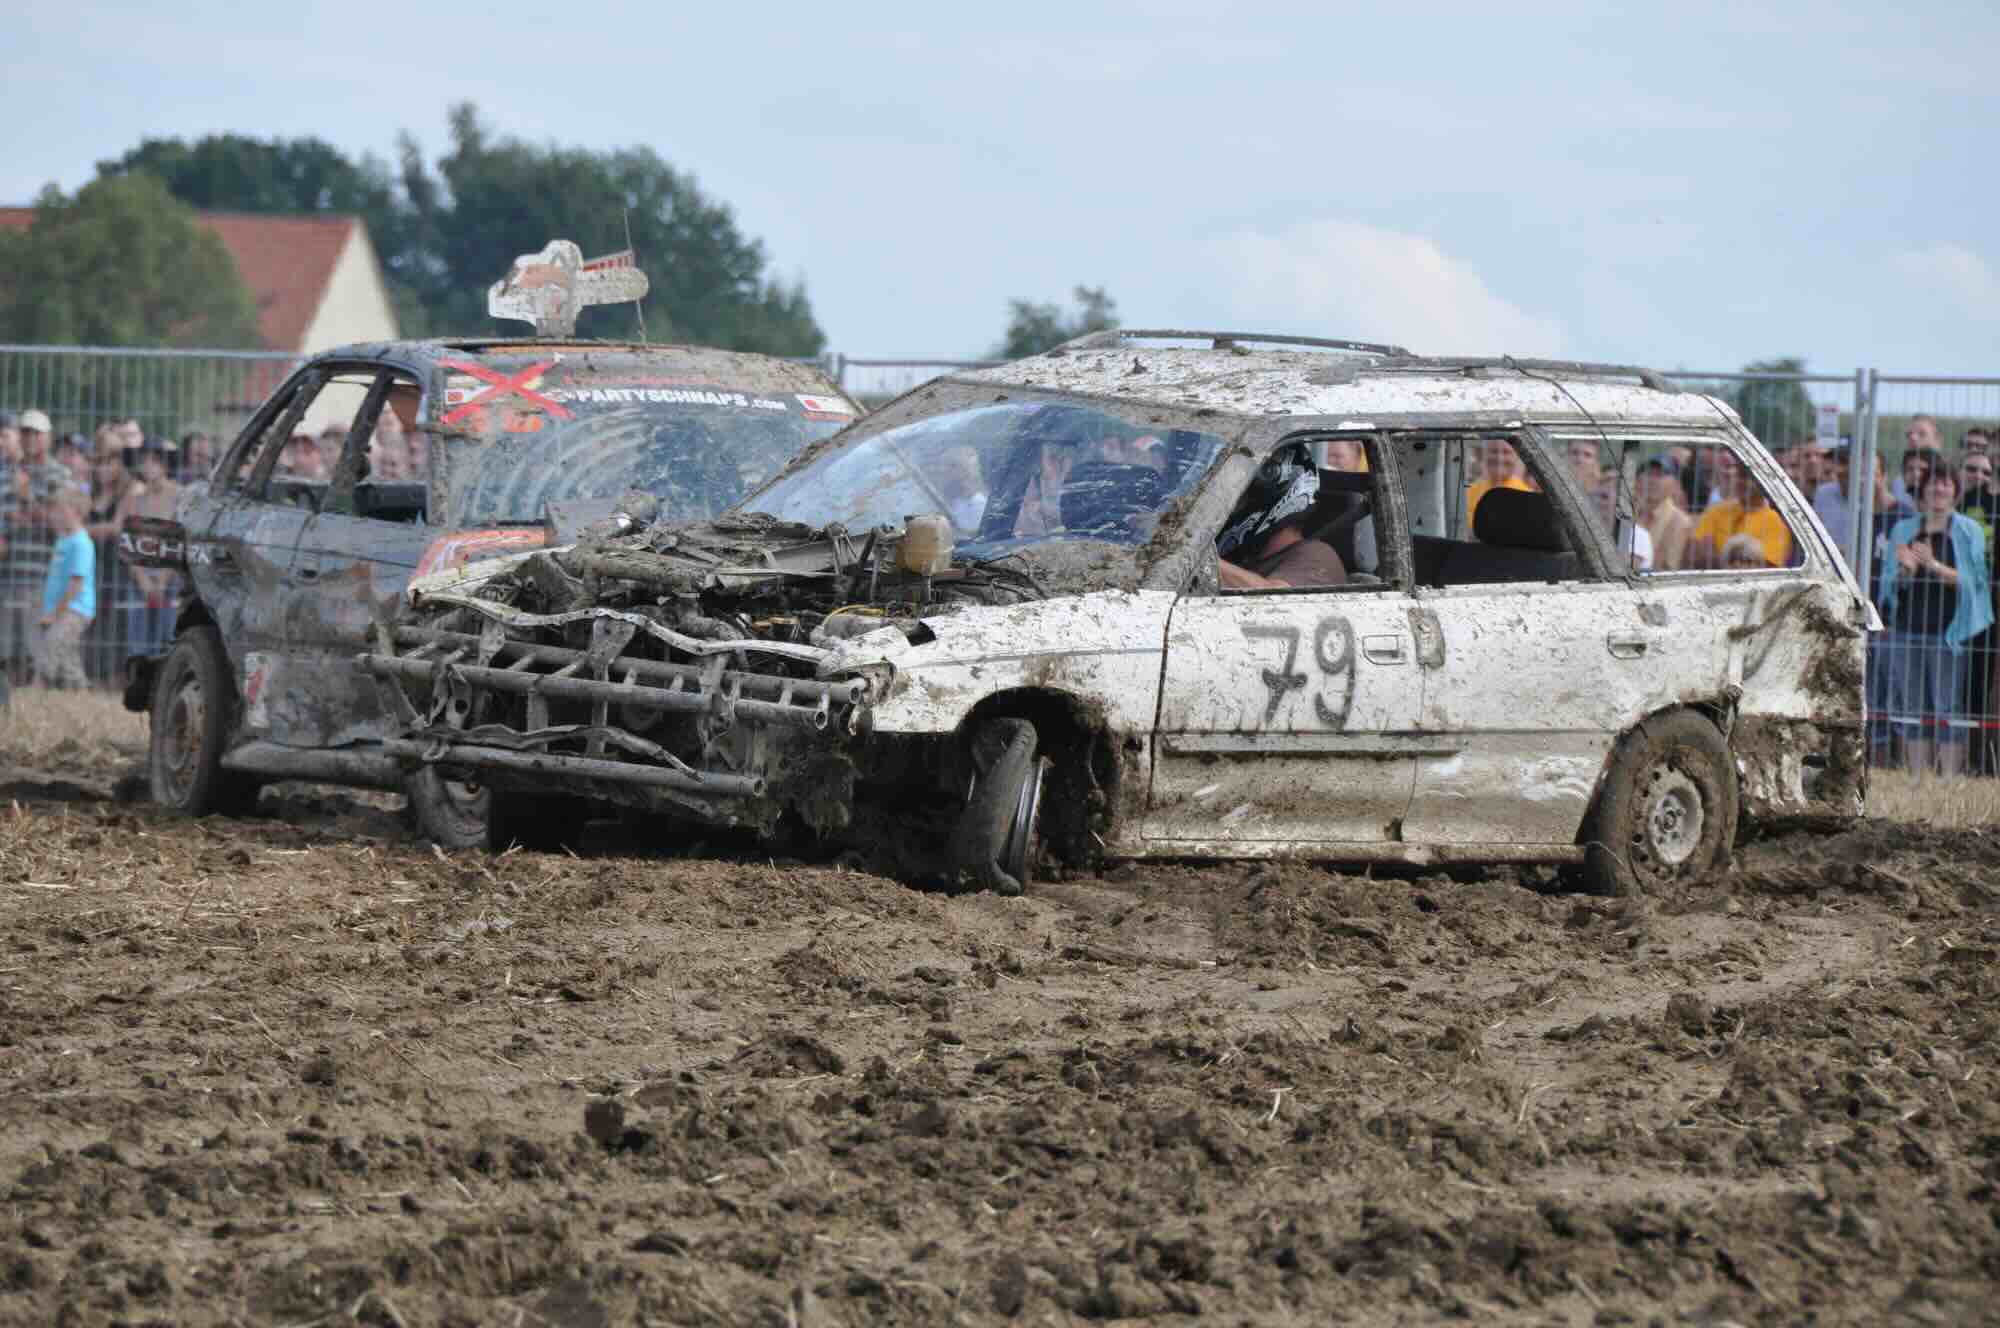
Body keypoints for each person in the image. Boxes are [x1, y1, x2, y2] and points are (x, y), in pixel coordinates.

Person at [1875, 463, 1991, 775]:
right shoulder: (1903, 530)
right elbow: (1888, 586)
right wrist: (1905, 569)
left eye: (1945, 484)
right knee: (1912, 708)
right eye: (1932, 484)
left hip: (1948, 633)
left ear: (1955, 491)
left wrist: (1933, 565)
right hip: (1906, 630)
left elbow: (1975, 582)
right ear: (1922, 491)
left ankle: (1949, 779)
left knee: (1947, 707)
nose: (1938, 489)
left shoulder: (1970, 530)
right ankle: (1918, 778)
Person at [1217, 443, 1346, 590]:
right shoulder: (1244, 559)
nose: (1229, 510)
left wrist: (1204, 561)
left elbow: (1274, 598)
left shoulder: (1318, 555)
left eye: (1238, 499)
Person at [118, 441, 182, 659]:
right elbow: (128, 542)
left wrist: (163, 580)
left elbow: (180, 540)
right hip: (140, 577)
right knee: (138, 638)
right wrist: (143, 579)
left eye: (154, 461)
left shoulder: (178, 496)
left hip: (172, 577)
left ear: (165, 464)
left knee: (170, 634)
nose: (148, 466)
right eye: (144, 461)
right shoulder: (135, 499)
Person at [85, 449, 141, 681]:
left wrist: (83, 531)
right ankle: (94, 674)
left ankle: (115, 676)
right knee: (93, 622)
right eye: (100, 462)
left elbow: (118, 528)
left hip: (116, 568)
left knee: (115, 623)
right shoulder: (91, 494)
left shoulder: (128, 493)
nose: (104, 468)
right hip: (91, 566)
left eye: (110, 462)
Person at [1686, 451, 1793, 569]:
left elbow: (1764, 570)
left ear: (1765, 482)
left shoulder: (1776, 521)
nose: (1739, 481)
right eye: (1738, 474)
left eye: (1746, 476)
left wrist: (1716, 558)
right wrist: (1742, 559)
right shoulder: (1716, 511)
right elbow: (1694, 557)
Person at [34, 488, 94, 690]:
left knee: (53, 642)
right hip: (59, 608)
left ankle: (39, 685)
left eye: (60, 511)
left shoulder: (81, 543)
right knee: (68, 655)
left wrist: (54, 613)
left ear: (76, 512)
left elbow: (76, 585)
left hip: (75, 609)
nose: (54, 516)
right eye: (54, 511)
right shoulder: (63, 539)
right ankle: (80, 690)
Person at [1637, 456, 1693, 571]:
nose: (1653, 480)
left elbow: (1668, 567)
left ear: (1675, 484)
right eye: (1649, 474)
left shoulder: (1679, 521)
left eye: (1660, 475)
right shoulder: (1627, 511)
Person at [1465, 438, 1531, 526]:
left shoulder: (1528, 496)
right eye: (1494, 451)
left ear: (1516, 457)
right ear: (1483, 455)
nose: (1500, 458)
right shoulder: (1469, 493)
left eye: (1506, 452)